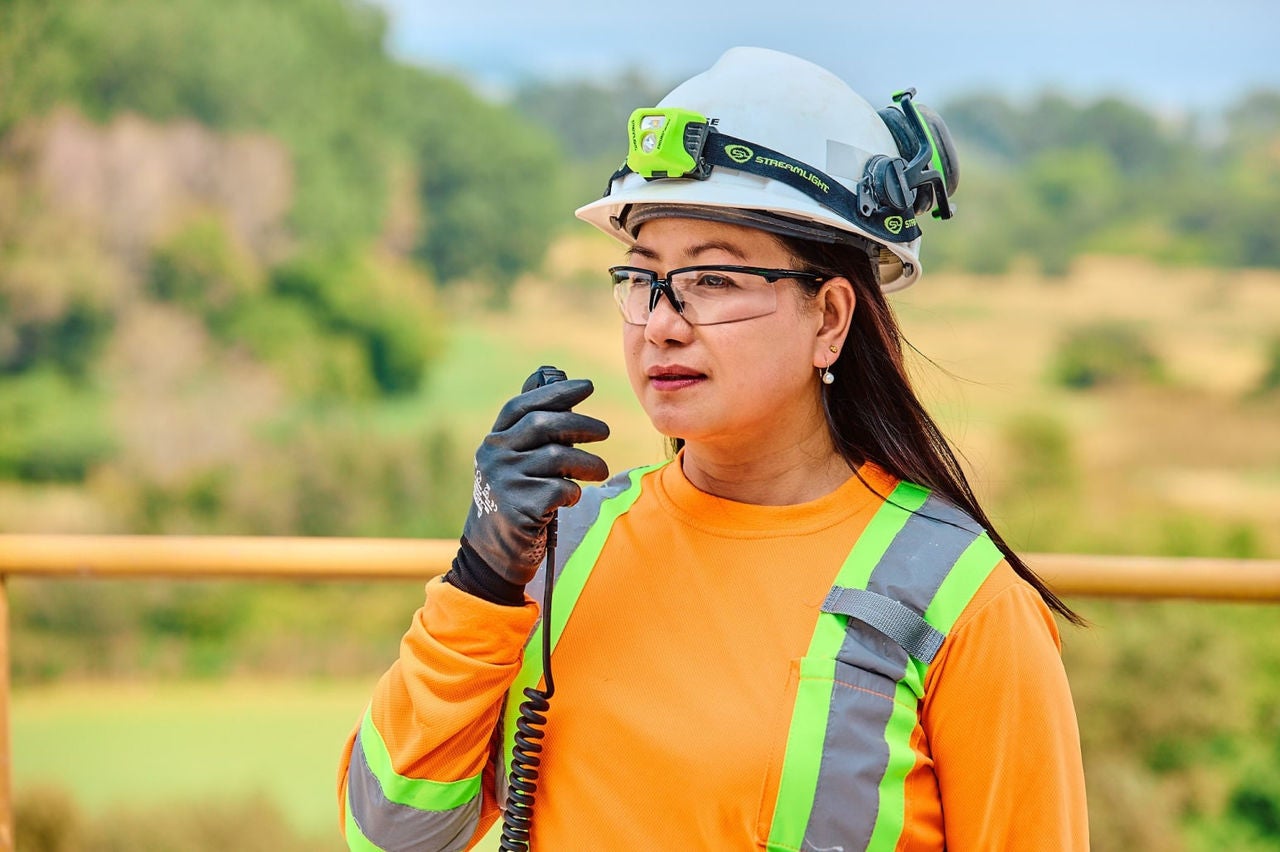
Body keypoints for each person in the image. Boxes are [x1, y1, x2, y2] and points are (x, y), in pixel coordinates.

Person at [338, 46, 1088, 850]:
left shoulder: (963, 602)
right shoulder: (566, 544)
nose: (662, 320)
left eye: (714, 280)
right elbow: (389, 835)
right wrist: (481, 578)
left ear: (830, 318)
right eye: (643, 277)